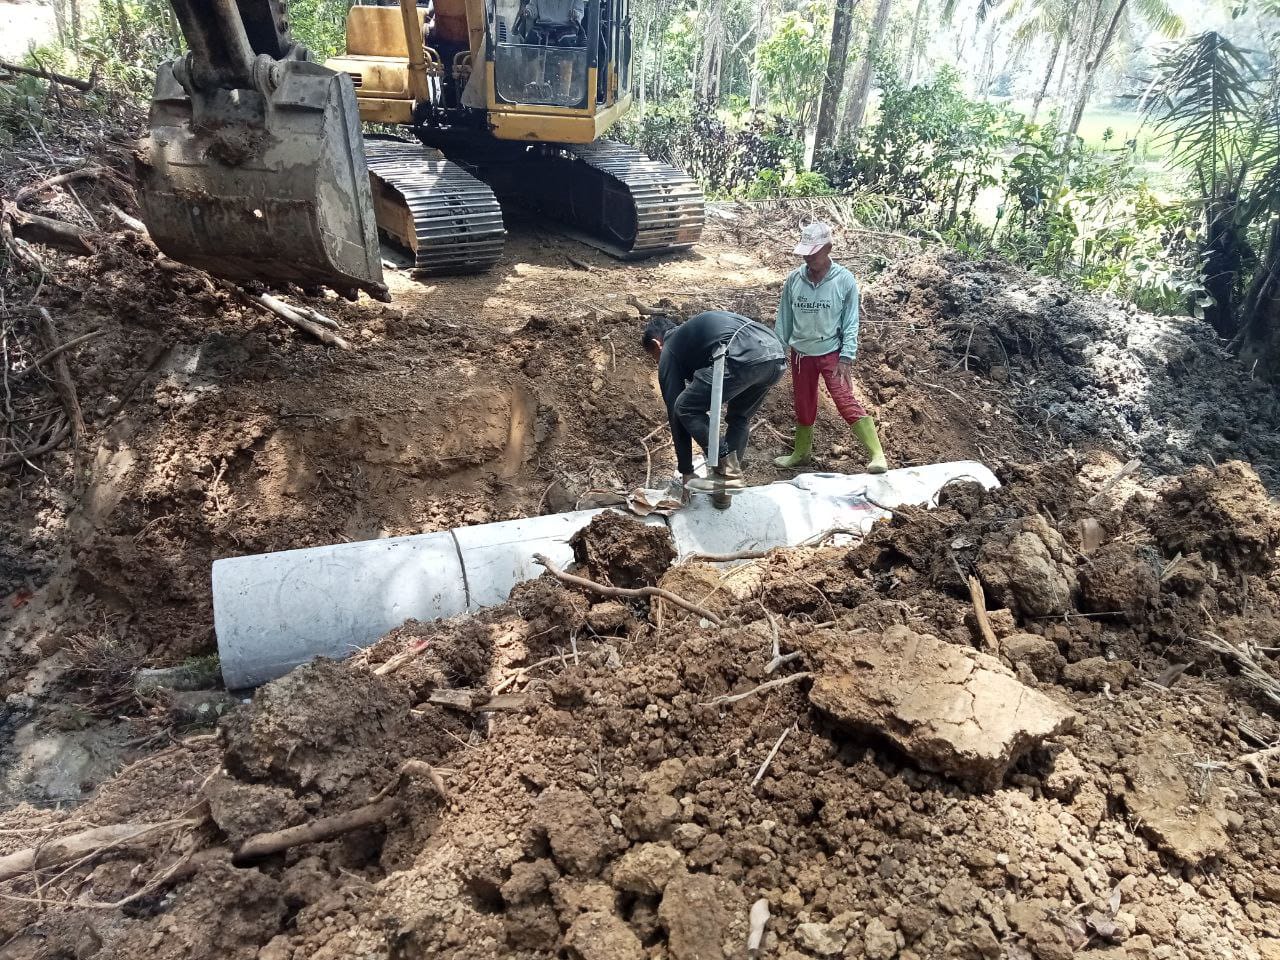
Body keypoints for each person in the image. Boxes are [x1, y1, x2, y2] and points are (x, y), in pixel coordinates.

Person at [773, 221, 887, 474]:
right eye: (805, 253)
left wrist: (847, 356)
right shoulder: (794, 279)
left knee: (844, 400)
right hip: (801, 355)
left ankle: (877, 454)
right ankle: (801, 453)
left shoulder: (844, 280)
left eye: (813, 252)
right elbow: (784, 318)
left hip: (831, 354)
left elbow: (851, 321)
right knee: (803, 404)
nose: (808, 258)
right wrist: (778, 350)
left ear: (828, 248)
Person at [642, 311, 786, 509]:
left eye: (655, 358)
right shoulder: (692, 337)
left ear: (657, 344)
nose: (658, 363)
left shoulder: (669, 348)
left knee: (684, 406)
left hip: (744, 356)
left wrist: (686, 470)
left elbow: (677, 412)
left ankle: (726, 468)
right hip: (775, 356)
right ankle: (724, 491)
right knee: (739, 418)